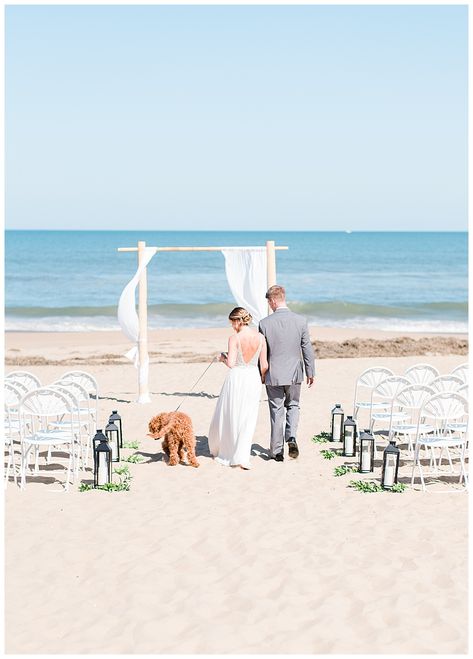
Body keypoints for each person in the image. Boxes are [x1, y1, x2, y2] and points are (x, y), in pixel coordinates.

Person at [259, 285, 315, 461]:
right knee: (293, 405)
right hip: (294, 373)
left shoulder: (264, 323)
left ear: (274, 300)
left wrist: (261, 373)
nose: (269, 305)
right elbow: (307, 348)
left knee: (276, 410)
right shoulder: (301, 321)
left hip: (273, 374)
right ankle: (291, 436)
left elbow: (263, 353)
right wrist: (310, 371)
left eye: (269, 301)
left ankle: (277, 452)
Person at [208, 307, 268, 470]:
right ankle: (242, 457)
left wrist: (222, 357)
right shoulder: (261, 338)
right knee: (248, 417)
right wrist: (261, 378)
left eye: (232, 323)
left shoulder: (234, 338)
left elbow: (231, 363)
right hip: (253, 379)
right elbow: (264, 365)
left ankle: (229, 452)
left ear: (238, 321)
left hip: (237, 378)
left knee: (231, 414)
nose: (232, 326)